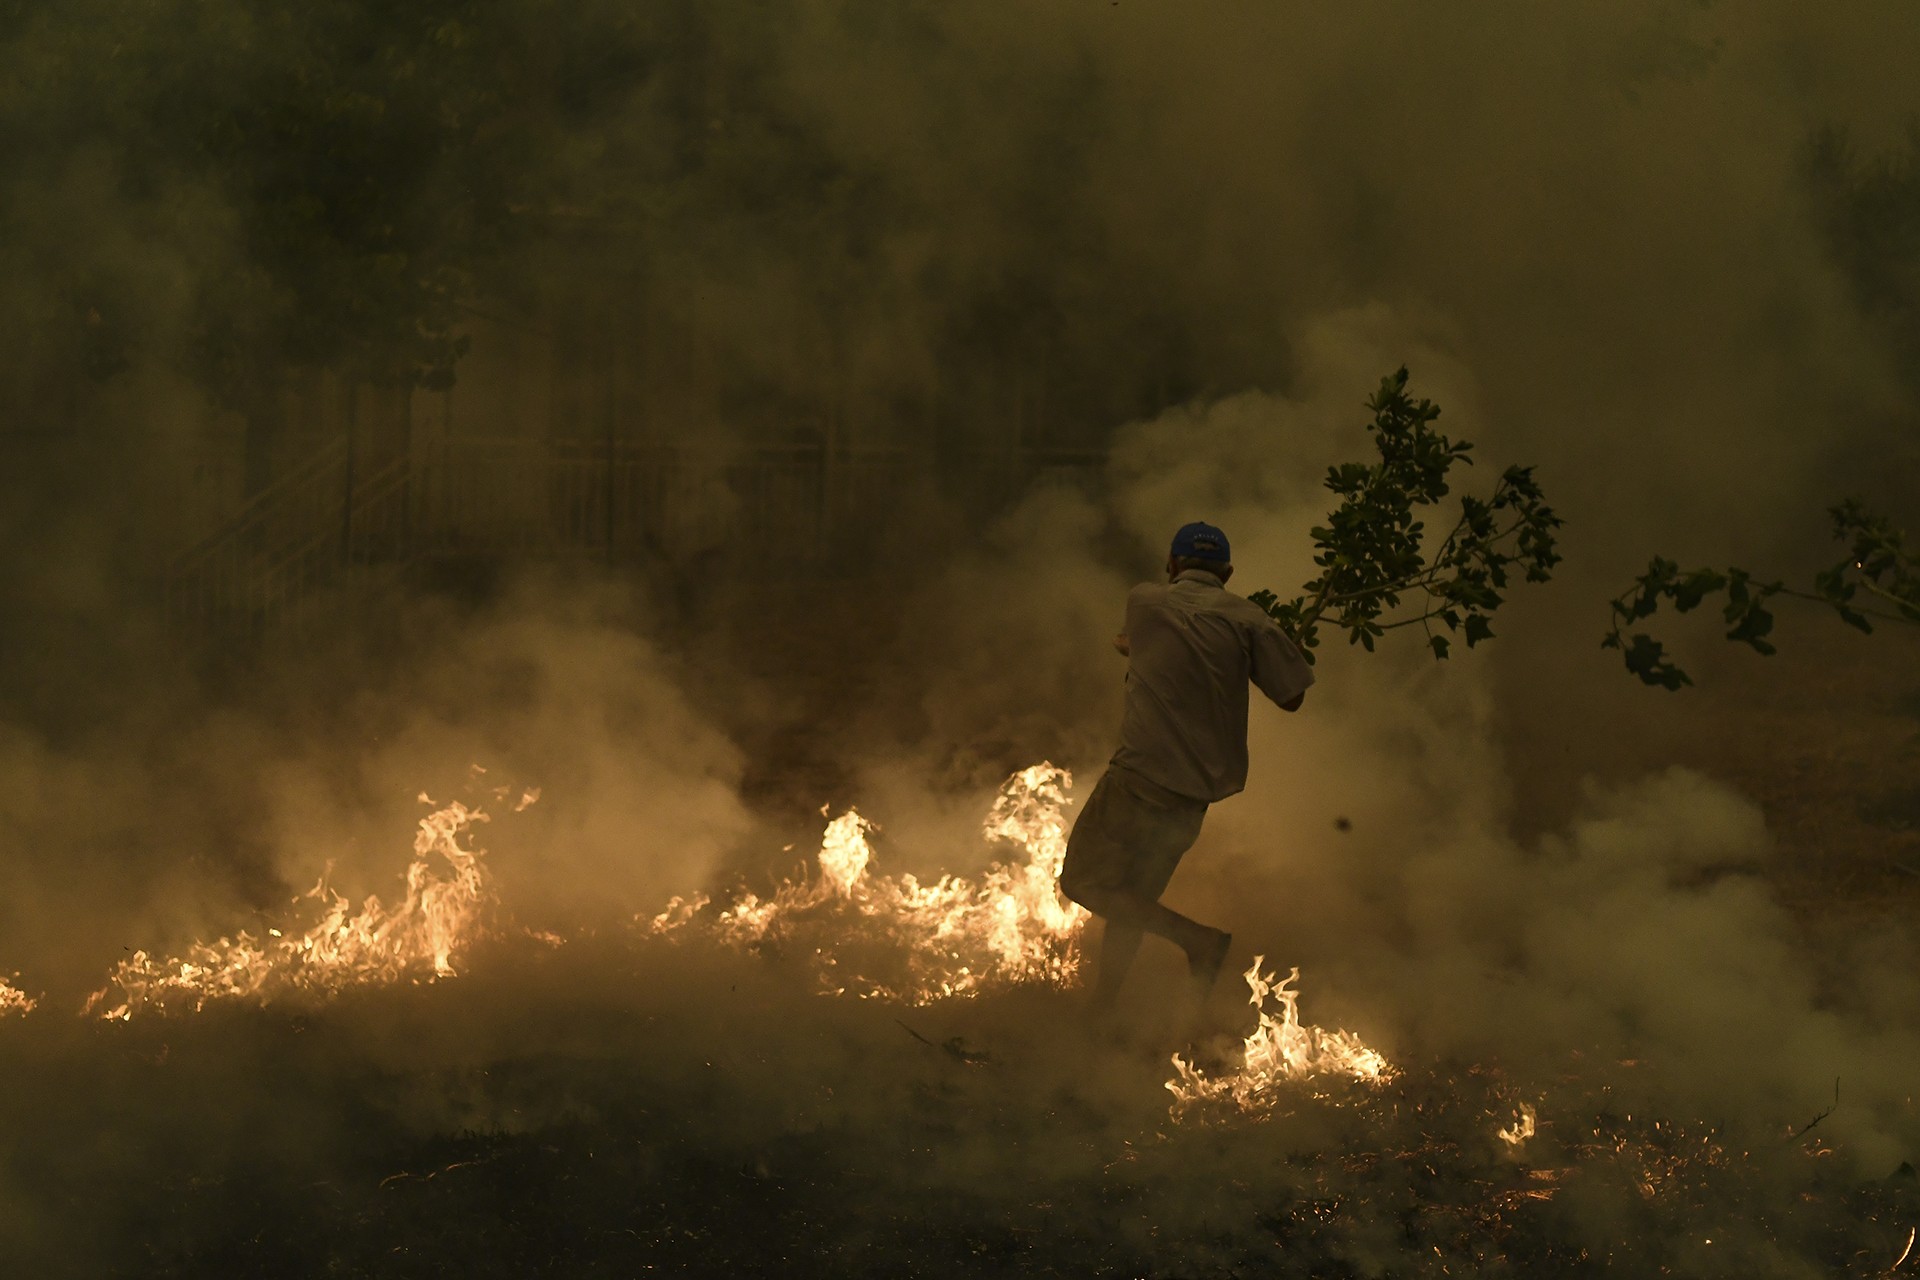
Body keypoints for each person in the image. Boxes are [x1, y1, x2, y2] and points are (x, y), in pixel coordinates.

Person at [1057, 521, 1314, 1015]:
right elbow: (1292, 697)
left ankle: (1196, 940)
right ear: (1229, 573)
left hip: (1137, 781)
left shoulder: (1146, 602)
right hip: (1190, 797)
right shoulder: (1251, 620)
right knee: (1134, 899)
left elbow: (1134, 643)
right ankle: (1101, 1008)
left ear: (1172, 566)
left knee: (1082, 884)